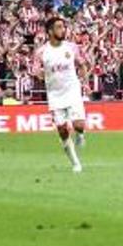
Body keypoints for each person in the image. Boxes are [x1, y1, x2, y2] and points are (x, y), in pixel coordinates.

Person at [37, 16, 88, 173]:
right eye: (59, 27)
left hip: (72, 90)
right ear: (50, 31)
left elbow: (82, 64)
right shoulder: (41, 52)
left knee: (78, 125)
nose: (63, 30)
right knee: (63, 130)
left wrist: (84, 81)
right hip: (54, 94)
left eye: (64, 27)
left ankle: (80, 134)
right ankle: (75, 163)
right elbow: (36, 70)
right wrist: (39, 74)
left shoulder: (71, 47)